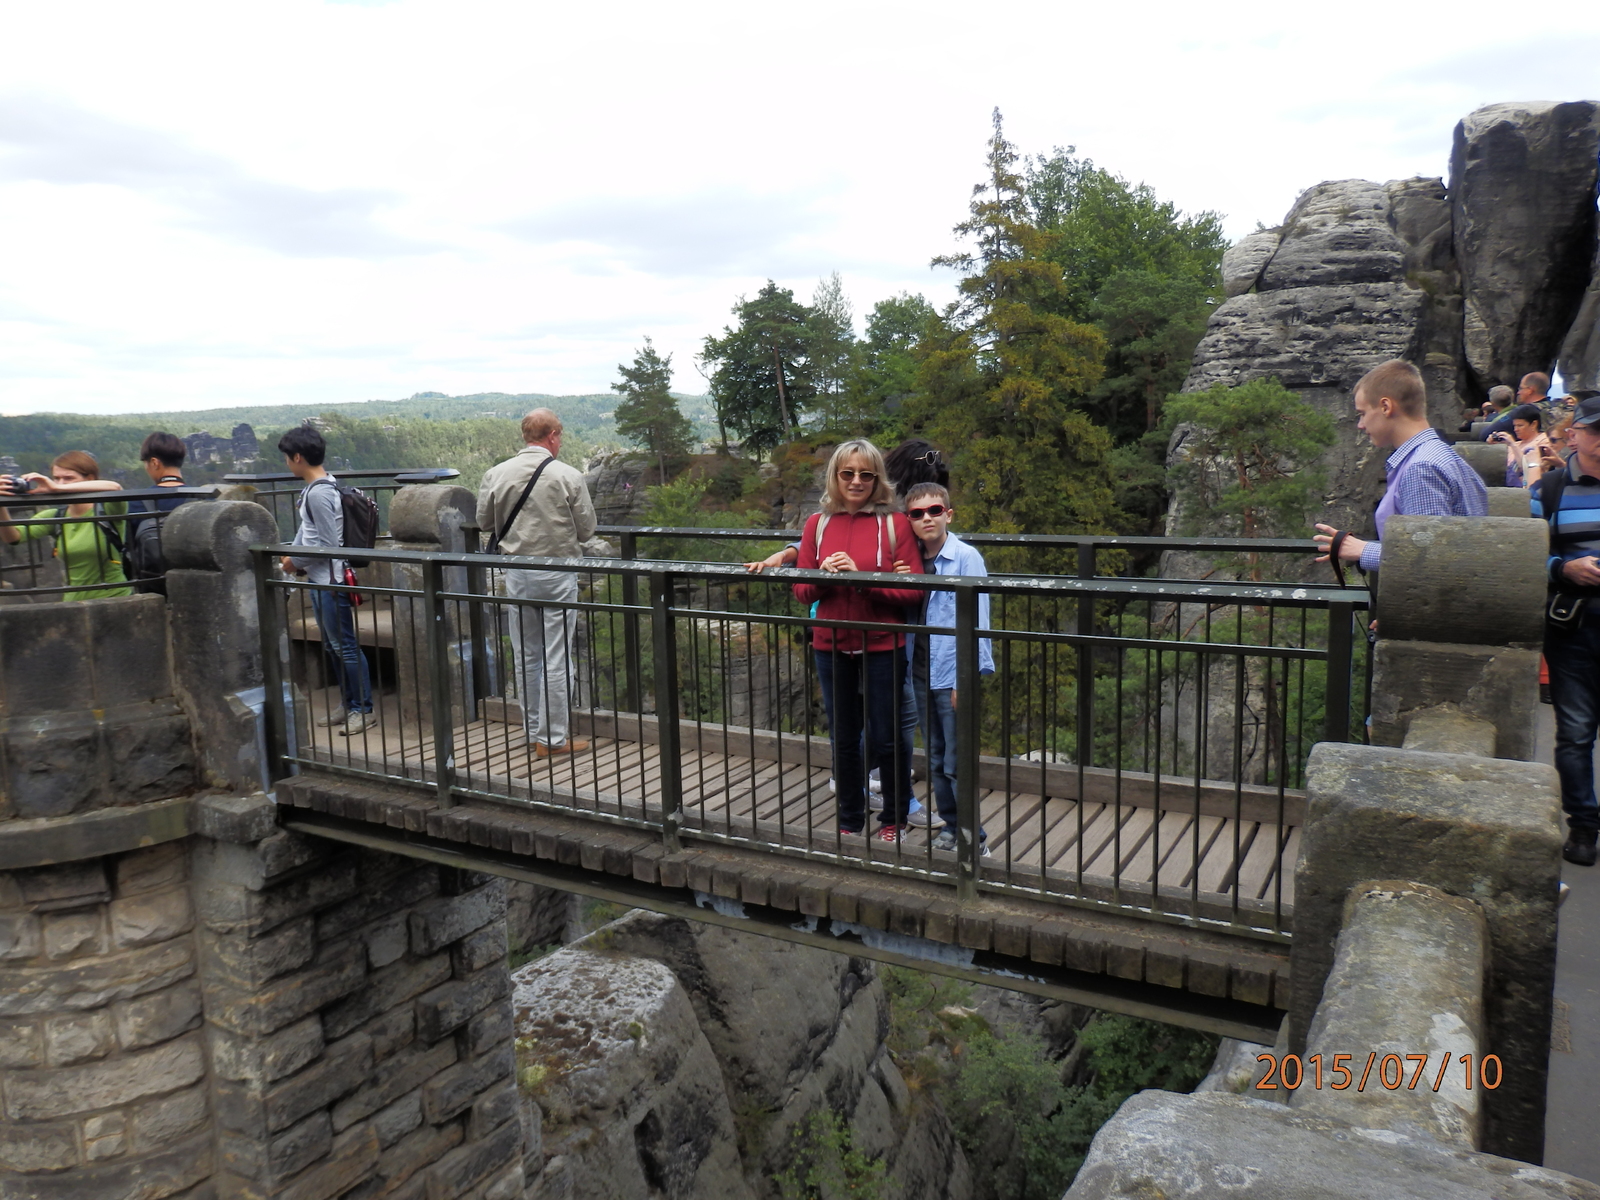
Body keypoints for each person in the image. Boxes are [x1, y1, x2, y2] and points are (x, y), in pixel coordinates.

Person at [793, 440, 926, 841]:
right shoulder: (817, 524)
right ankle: (850, 818)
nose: (856, 481)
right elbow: (801, 592)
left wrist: (863, 582)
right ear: (835, 477)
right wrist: (822, 575)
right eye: (847, 473)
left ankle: (894, 818)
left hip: (883, 643)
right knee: (845, 738)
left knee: (887, 737)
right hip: (831, 645)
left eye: (866, 475)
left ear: (876, 480)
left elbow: (914, 593)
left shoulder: (895, 524)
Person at [476, 408, 597, 757]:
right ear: (553, 435)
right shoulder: (568, 475)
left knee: (526, 654)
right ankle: (553, 739)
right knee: (555, 657)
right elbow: (587, 529)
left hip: (516, 574)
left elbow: (484, 521)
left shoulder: (495, 474)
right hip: (557, 573)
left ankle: (532, 732)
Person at [1313, 360, 1488, 573]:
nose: (1360, 425)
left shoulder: (1421, 468)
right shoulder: (1441, 455)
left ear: (1386, 407)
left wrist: (1363, 550)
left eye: (1362, 413)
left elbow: (1429, 560)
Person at [900, 481, 994, 854]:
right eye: (917, 513)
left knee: (957, 760)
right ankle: (952, 829)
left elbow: (979, 623)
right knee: (936, 758)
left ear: (948, 515)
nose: (927, 519)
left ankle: (975, 840)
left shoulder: (966, 558)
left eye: (934, 511)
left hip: (952, 673)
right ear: (909, 519)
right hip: (921, 673)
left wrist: (964, 680)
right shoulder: (911, 560)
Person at [1531, 396, 1600, 865]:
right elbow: (1527, 553)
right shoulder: (1552, 489)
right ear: (1580, 435)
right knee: (1575, 732)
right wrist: (1565, 568)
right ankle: (1583, 826)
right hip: (1575, 624)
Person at [278, 425, 373, 736]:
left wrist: (294, 562)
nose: (286, 464)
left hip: (331, 582)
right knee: (334, 647)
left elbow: (328, 545)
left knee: (344, 647)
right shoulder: (322, 486)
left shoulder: (318, 493)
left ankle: (362, 709)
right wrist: (293, 555)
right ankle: (349, 703)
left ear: (298, 457)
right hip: (323, 580)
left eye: (287, 458)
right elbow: (308, 534)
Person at [0, 451, 129, 601]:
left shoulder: (107, 510)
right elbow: (13, 537)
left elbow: (115, 488)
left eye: (68, 478)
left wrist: (55, 489)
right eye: (56, 478)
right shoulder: (56, 516)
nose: (60, 483)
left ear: (90, 479)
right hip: (74, 602)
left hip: (115, 598)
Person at [124, 432, 196, 593]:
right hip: (194, 587)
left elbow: (128, 548)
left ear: (155, 462)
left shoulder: (136, 502)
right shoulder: (202, 500)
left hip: (151, 588)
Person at [1488, 404, 1553, 488]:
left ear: (1534, 424)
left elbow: (1526, 469)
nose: (1516, 429)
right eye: (1514, 426)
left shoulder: (1544, 442)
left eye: (1520, 425)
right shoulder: (1517, 443)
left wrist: (1512, 444)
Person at [1478, 373, 1552, 442]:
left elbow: (1486, 433)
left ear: (1530, 390)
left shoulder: (1522, 411)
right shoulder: (1558, 406)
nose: (1518, 392)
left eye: (1521, 388)